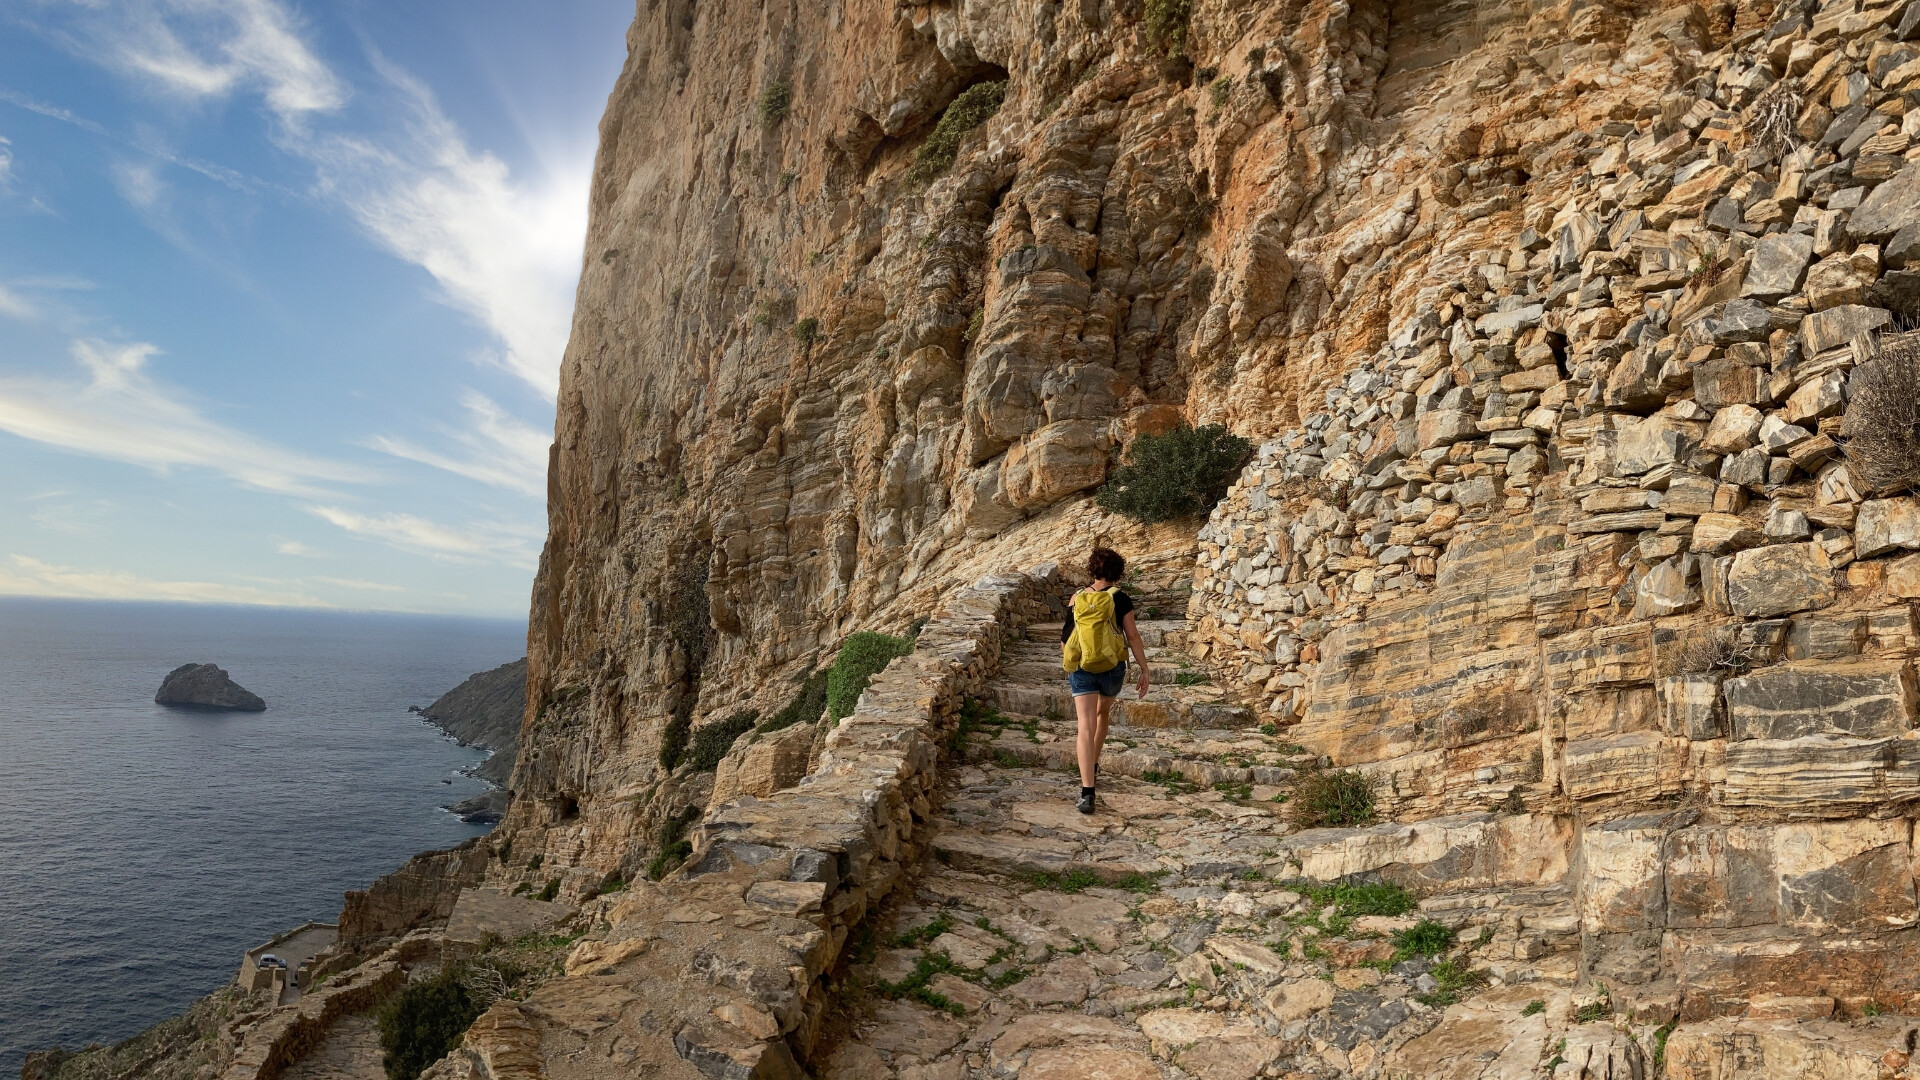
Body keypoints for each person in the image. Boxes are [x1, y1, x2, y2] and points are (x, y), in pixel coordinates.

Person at [1061, 546, 1150, 814]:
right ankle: (1094, 763)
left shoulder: (1077, 597)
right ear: (1118, 572)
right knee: (1102, 715)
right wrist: (1144, 669)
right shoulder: (1120, 598)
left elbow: (1066, 637)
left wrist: (1071, 664)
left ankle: (1087, 792)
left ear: (1092, 569)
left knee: (1084, 725)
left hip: (1082, 666)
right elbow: (1132, 636)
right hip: (1112, 667)